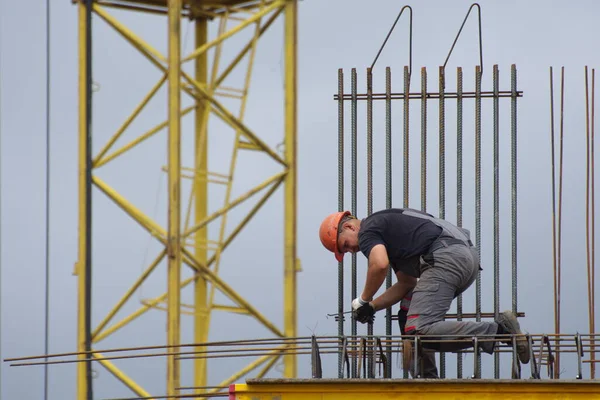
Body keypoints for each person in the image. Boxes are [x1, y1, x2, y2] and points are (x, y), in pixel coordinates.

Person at [319, 207, 530, 378]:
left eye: (345, 245)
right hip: (462, 258)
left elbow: (379, 265)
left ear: (348, 227)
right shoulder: (388, 228)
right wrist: (373, 307)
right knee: (408, 312)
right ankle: (426, 377)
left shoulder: (368, 231)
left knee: (417, 330)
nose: (351, 251)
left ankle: (500, 330)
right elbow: (406, 284)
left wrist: (363, 299)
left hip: (443, 259)